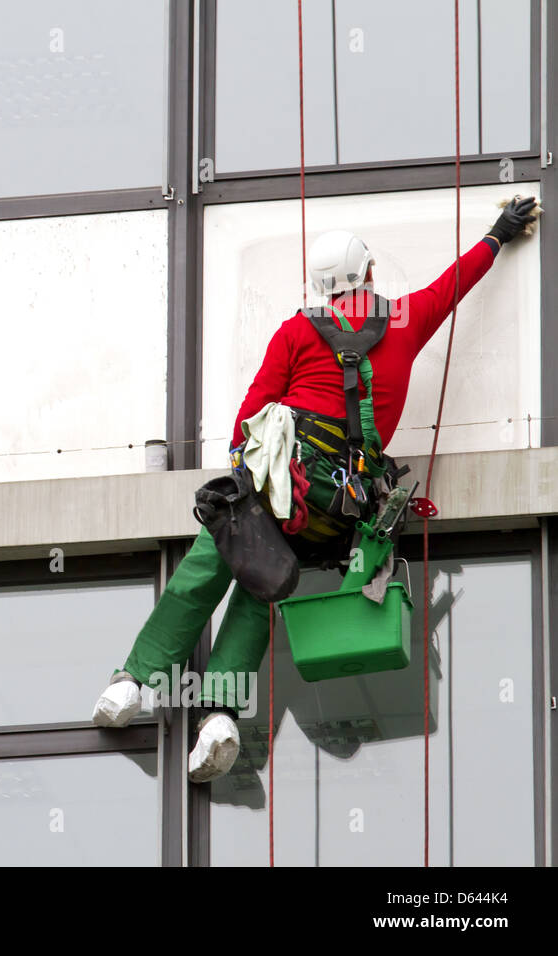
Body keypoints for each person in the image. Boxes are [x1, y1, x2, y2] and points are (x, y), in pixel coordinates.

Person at [91, 196, 540, 782]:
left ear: (322, 288)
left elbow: (251, 414)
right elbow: (455, 283)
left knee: (211, 564)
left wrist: (244, 474)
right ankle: (221, 717)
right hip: (336, 511)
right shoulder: (404, 322)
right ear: (370, 274)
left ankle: (133, 683)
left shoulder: (298, 331)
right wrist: (499, 233)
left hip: (282, 486)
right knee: (262, 587)